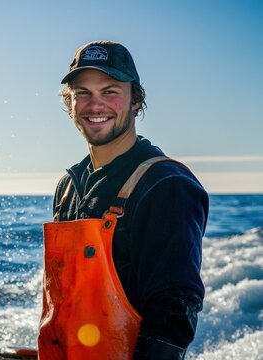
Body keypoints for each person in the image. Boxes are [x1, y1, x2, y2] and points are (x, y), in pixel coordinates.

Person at [38, 41, 208, 360]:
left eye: (110, 90)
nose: (95, 104)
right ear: (69, 102)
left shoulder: (166, 184)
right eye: (82, 92)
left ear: (136, 100)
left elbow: (174, 310)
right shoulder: (68, 187)